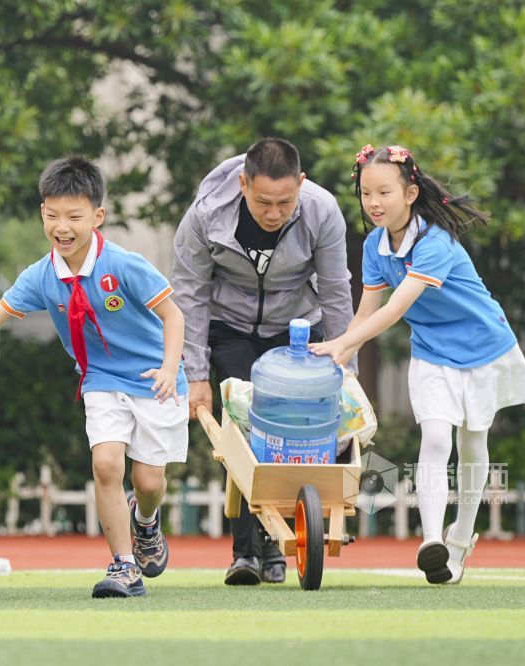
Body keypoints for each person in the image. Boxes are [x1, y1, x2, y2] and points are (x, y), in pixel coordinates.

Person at [0, 155, 188, 598]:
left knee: (149, 482)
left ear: (97, 216)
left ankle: (145, 520)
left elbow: (173, 317)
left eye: (74, 217)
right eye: (52, 215)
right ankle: (123, 567)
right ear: (42, 212)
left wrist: (171, 367)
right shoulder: (41, 277)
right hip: (100, 378)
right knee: (105, 465)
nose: (62, 227)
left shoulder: (124, 265)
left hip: (156, 378)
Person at [310, 144, 525, 584]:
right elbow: (366, 312)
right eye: (365, 194)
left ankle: (460, 540)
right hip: (433, 352)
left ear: (411, 193)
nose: (373, 203)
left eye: (384, 193)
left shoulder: (435, 242)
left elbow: (394, 311)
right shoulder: (375, 246)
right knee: (435, 438)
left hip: (484, 349)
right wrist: (341, 351)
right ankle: (432, 542)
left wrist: (342, 342)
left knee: (472, 445)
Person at [171, 137, 354, 585]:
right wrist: (195, 374)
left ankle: (280, 542)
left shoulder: (322, 211)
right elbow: (189, 294)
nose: (274, 214)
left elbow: (335, 290)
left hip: (296, 328)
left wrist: (345, 363)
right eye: (263, 202)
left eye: (284, 202)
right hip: (228, 326)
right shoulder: (203, 215)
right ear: (242, 184)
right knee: (244, 426)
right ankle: (246, 554)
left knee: (293, 426)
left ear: (302, 185)